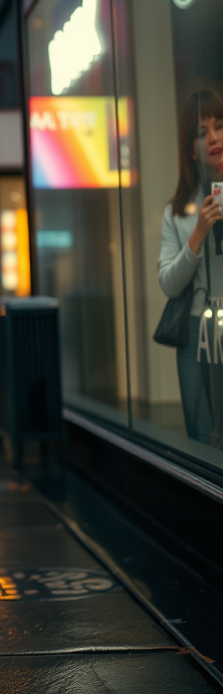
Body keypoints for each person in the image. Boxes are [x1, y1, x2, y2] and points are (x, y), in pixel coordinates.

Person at [158, 88, 223, 447]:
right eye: (202, 132)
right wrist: (197, 235)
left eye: (219, 126)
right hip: (198, 327)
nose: (213, 138)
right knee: (201, 435)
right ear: (190, 148)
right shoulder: (178, 212)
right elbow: (168, 283)